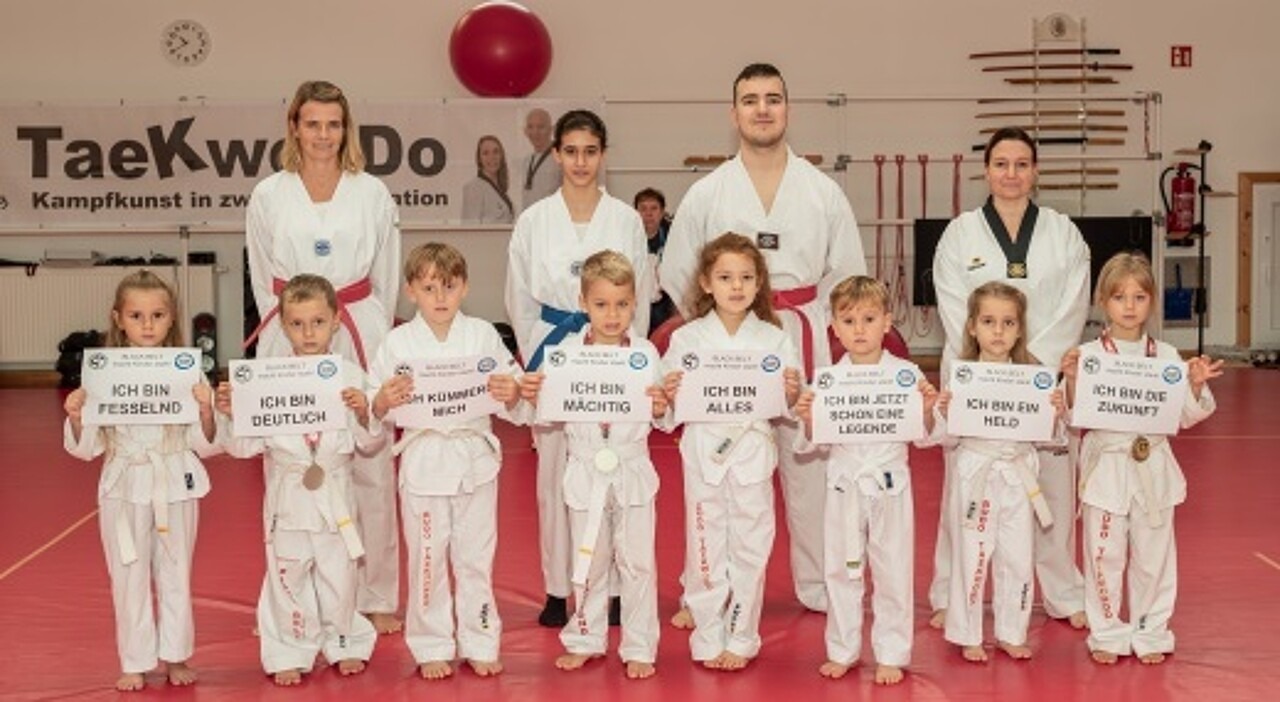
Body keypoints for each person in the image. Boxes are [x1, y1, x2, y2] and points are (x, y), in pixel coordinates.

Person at [659, 63, 865, 615]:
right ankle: (705, 590)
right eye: (750, 100)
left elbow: (847, 277)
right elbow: (678, 270)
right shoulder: (707, 193)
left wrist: (830, 336)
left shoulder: (822, 192)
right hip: (726, 349)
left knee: (811, 471)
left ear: (787, 109)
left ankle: (822, 586)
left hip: (802, 337)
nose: (762, 109)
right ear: (734, 114)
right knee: (716, 472)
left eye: (773, 98)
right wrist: (713, 333)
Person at [245, 80, 403, 634]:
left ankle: (377, 592)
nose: (323, 135)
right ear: (294, 126)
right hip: (292, 331)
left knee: (369, 463)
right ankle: (294, 596)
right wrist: (288, 336)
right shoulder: (269, 194)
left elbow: (384, 274)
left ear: (346, 128)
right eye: (312, 123)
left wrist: (369, 329)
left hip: (357, 321)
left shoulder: (371, 192)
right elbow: (264, 277)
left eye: (333, 124)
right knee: (291, 463)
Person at [928, 126, 1091, 630]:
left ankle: (1064, 591)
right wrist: (990, 364)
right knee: (965, 488)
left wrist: (1030, 367)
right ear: (987, 169)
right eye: (1002, 163)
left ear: (1035, 171)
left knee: (1053, 490)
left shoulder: (1063, 232)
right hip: (980, 382)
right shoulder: (961, 233)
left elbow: (1074, 305)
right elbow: (955, 306)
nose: (1011, 174)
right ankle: (949, 593)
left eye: (1022, 164)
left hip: (1039, 380)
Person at [505, 109, 654, 627]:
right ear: (557, 155)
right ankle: (555, 588)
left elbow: (642, 297)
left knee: (612, 473)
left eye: (590, 151)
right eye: (570, 151)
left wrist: (630, 362)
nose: (580, 162)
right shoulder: (534, 220)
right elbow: (519, 299)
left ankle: (612, 590)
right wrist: (535, 363)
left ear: (603, 155)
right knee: (554, 477)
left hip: (612, 355)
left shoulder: (626, 220)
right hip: (553, 352)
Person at [215, 274, 380, 685]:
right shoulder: (265, 379)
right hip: (288, 496)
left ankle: (345, 641)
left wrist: (364, 412)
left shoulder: (352, 376)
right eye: (297, 323)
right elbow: (243, 448)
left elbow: (370, 443)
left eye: (318, 322)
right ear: (282, 326)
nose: (309, 333)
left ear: (337, 321)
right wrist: (234, 413)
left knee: (340, 576)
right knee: (287, 578)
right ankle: (290, 648)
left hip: (334, 495)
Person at [368, 243, 524, 679]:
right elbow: (371, 402)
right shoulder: (397, 342)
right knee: (428, 558)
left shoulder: (482, 335)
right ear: (411, 291)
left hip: (475, 461)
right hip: (424, 461)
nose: (440, 297)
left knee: (476, 557)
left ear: (465, 288)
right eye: (430, 287)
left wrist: (511, 392)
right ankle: (431, 643)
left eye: (450, 287)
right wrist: (380, 401)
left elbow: (511, 385)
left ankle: (480, 639)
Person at [1061, 252, 1222, 665]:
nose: (1129, 306)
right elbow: (1070, 414)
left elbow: (1186, 414)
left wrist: (1197, 386)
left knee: (1154, 557)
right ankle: (1109, 633)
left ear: (1152, 301)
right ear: (1102, 301)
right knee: (1104, 556)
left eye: (1139, 296)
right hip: (1107, 470)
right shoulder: (1087, 355)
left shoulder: (1167, 357)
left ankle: (1152, 633)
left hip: (1154, 469)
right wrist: (1074, 381)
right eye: (1119, 297)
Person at [62, 270, 219, 691]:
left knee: (175, 572)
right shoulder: (101, 373)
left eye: (158, 315)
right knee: (127, 574)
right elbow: (86, 448)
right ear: (118, 318)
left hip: (175, 480)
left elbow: (206, 443)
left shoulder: (186, 370)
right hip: (124, 483)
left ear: (172, 319)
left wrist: (206, 411)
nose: (147, 325)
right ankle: (134, 658)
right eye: (136, 315)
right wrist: (78, 416)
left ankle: (175, 656)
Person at [520, 251, 668, 680]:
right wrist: (534, 394)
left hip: (632, 466)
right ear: (583, 302)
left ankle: (640, 644)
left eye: (622, 304)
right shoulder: (564, 353)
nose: (612, 314)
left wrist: (662, 403)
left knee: (638, 561)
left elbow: (661, 415)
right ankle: (585, 636)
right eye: (601, 304)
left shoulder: (644, 353)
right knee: (590, 559)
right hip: (584, 465)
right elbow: (546, 415)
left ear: (635, 302)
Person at [662, 233, 802, 671]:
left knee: (751, 547)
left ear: (759, 282)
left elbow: (793, 403)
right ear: (706, 282)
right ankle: (707, 635)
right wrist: (668, 393)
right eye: (725, 277)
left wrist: (793, 393)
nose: (736, 286)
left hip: (752, 454)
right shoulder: (687, 340)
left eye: (745, 277)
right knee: (705, 545)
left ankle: (741, 634)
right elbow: (666, 406)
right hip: (704, 452)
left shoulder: (773, 338)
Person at [792, 276, 939, 685]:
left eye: (869, 318)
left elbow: (925, 435)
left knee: (893, 568)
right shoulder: (826, 380)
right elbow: (811, 444)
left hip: (891, 483)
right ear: (833, 328)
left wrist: (927, 409)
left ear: (888, 323)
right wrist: (807, 417)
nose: (859, 329)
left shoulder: (906, 374)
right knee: (842, 569)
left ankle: (892, 650)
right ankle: (843, 647)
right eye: (849, 320)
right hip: (843, 484)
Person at [935, 282, 1067, 662]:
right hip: (976, 469)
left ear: (1020, 329)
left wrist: (1055, 412)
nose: (998, 331)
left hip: (1018, 474)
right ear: (972, 327)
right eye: (989, 321)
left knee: (1017, 556)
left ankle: (1012, 631)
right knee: (973, 554)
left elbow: (1051, 440)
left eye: (1008, 322)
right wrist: (943, 410)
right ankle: (968, 632)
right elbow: (944, 438)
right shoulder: (962, 377)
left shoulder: (1033, 377)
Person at [634, 188, 677, 335]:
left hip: (666, 295)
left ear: (662, 211)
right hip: (637, 293)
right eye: (643, 209)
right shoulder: (627, 234)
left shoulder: (674, 233)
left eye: (654, 208)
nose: (648, 214)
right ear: (635, 212)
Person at [461, 135, 514, 224]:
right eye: (485, 153)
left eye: (496, 152)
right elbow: (470, 231)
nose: (492, 157)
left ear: (501, 156)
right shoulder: (474, 188)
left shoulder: (500, 189)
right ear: (479, 159)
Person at [519, 108, 561, 211]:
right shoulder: (526, 161)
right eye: (530, 127)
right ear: (525, 131)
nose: (535, 132)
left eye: (541, 127)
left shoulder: (561, 160)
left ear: (551, 129)